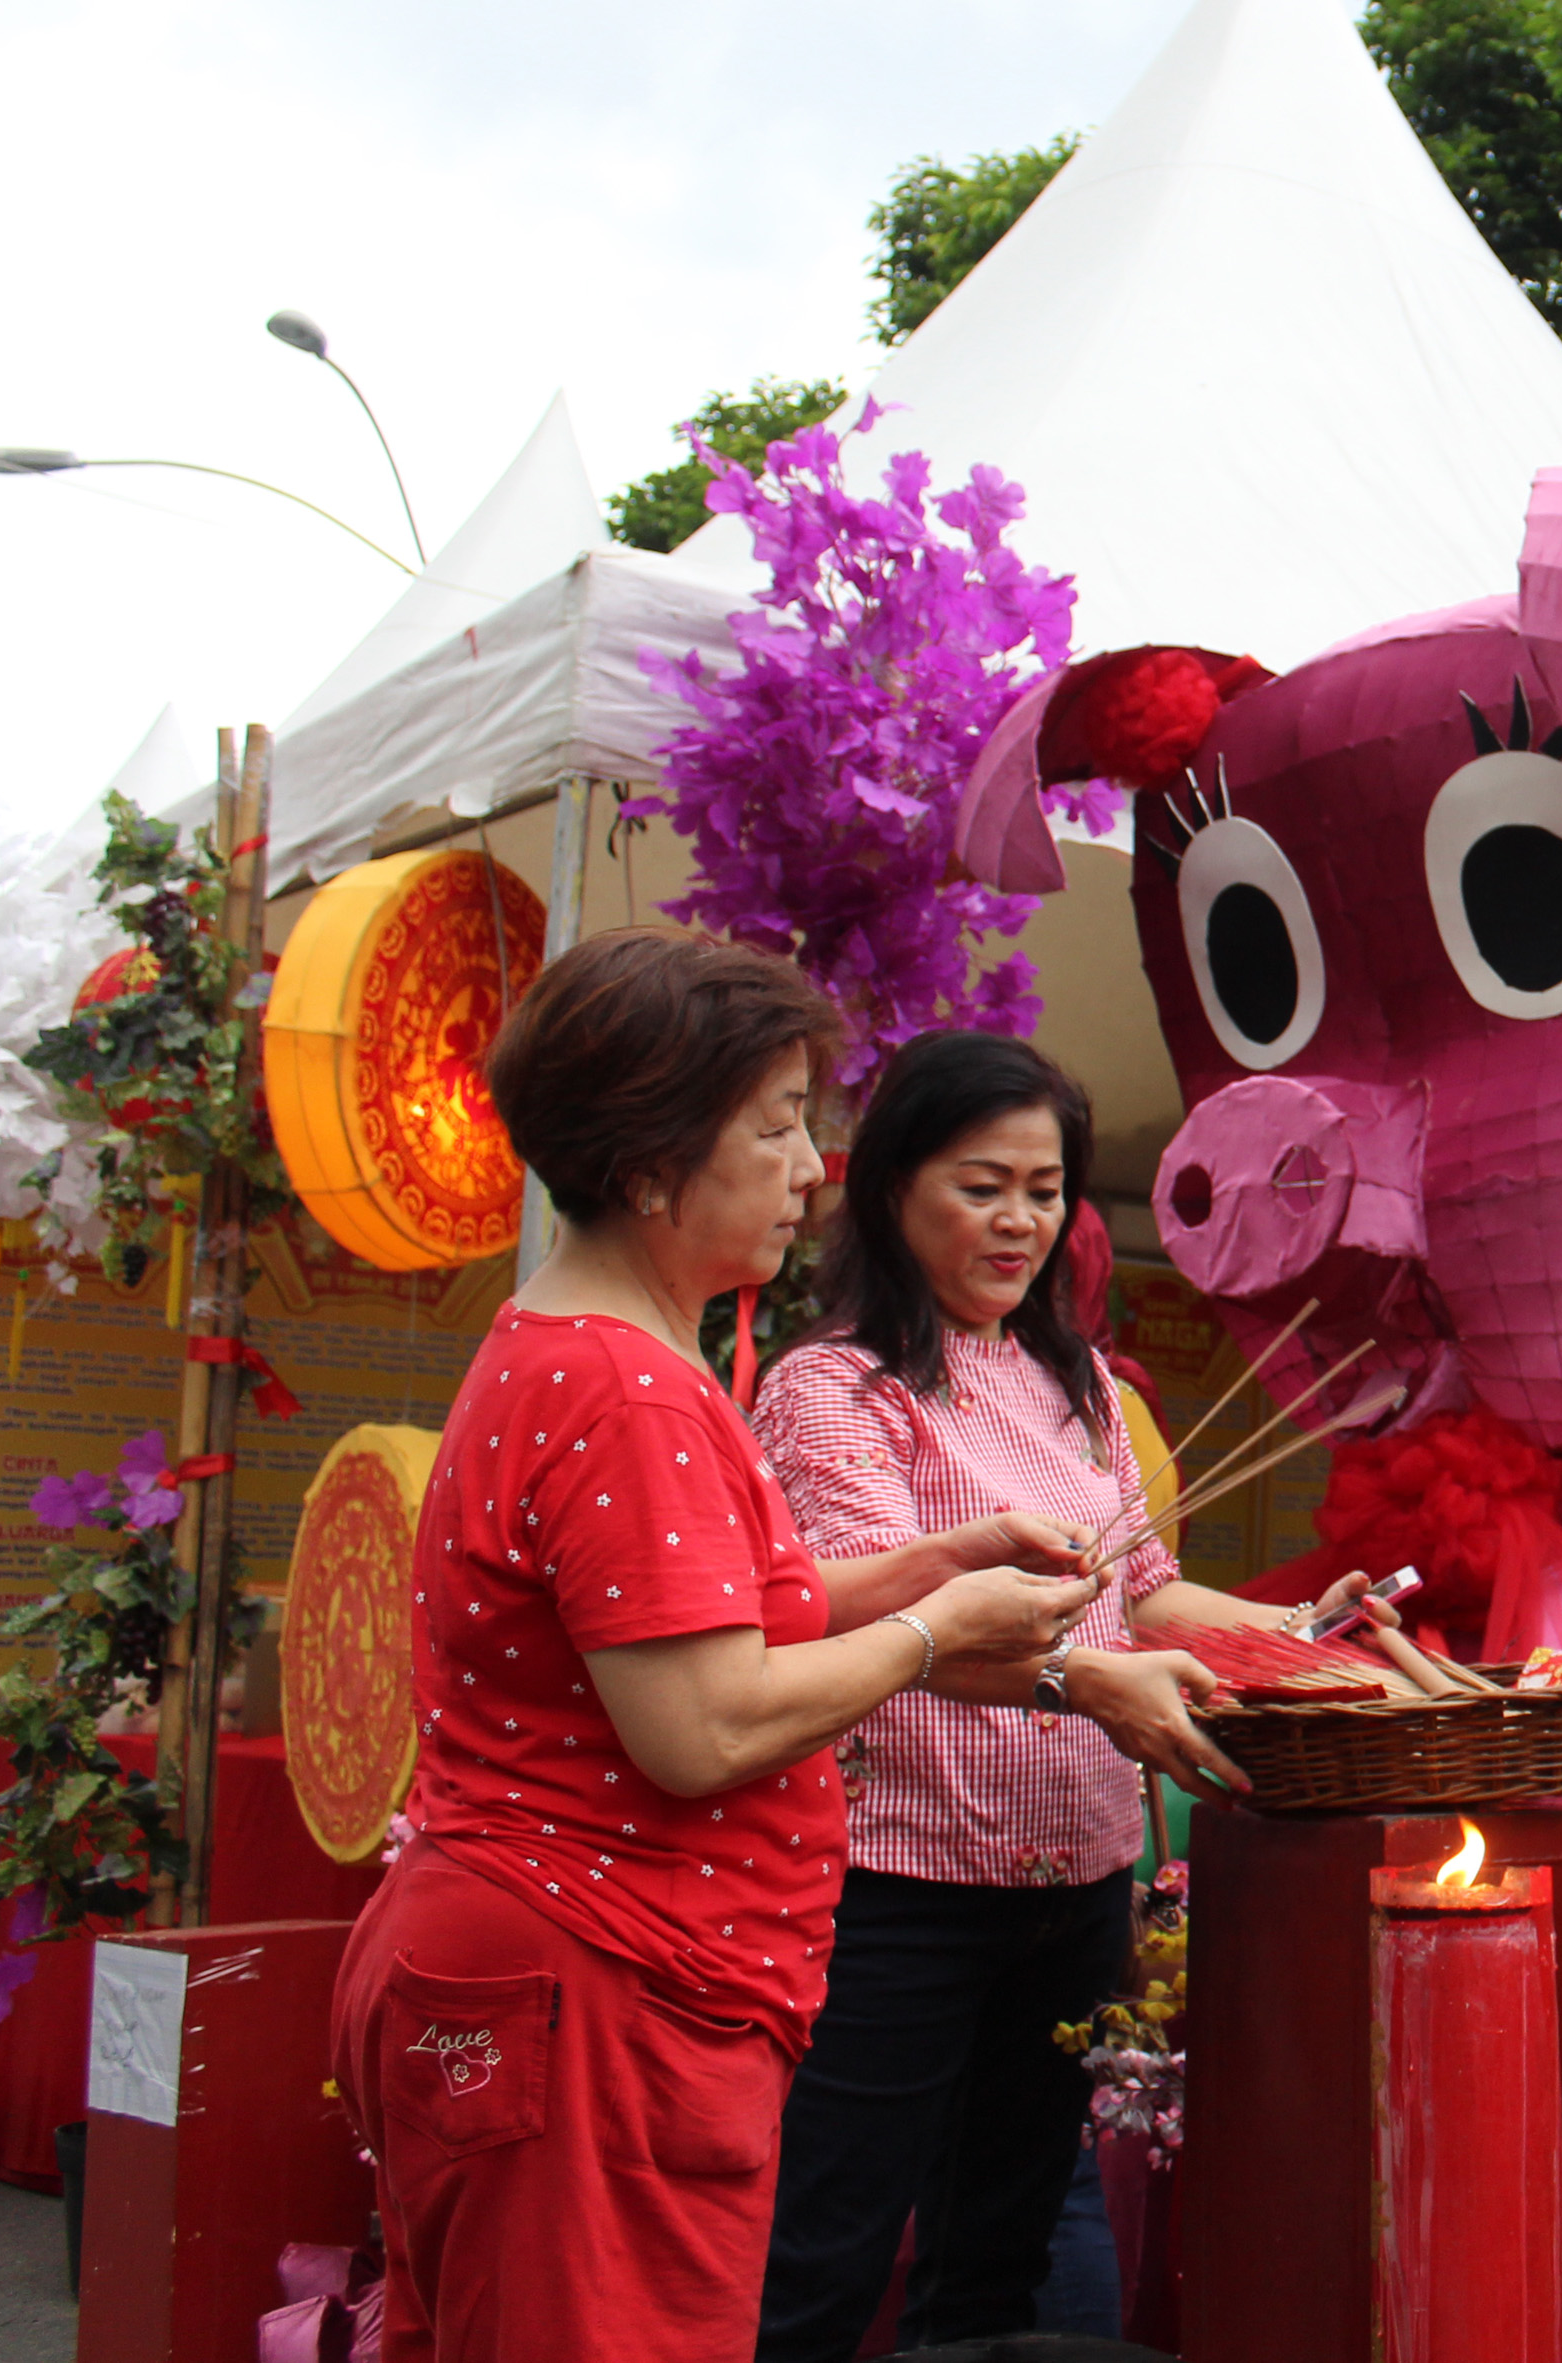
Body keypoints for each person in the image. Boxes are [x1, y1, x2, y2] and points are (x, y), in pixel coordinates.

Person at [329, 931, 1098, 2363]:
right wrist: (939, 1635)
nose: (810, 1168)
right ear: (647, 1163)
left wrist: (928, 1563)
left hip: (543, 1958)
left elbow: (697, 1622)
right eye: (777, 1127)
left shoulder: (576, 1345)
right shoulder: (628, 1389)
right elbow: (701, 1726)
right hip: (586, 1979)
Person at [749, 1032, 1393, 2362]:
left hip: (1075, 1877)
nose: (1019, 1222)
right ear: (888, 1188)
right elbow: (874, 1620)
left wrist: (1306, 1626)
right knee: (829, 2246)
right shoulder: (834, 1391)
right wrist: (1087, 1683)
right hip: (902, 1883)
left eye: (1044, 1190)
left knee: (999, 2257)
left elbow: (1143, 1592)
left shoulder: (1081, 1383)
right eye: (982, 1186)